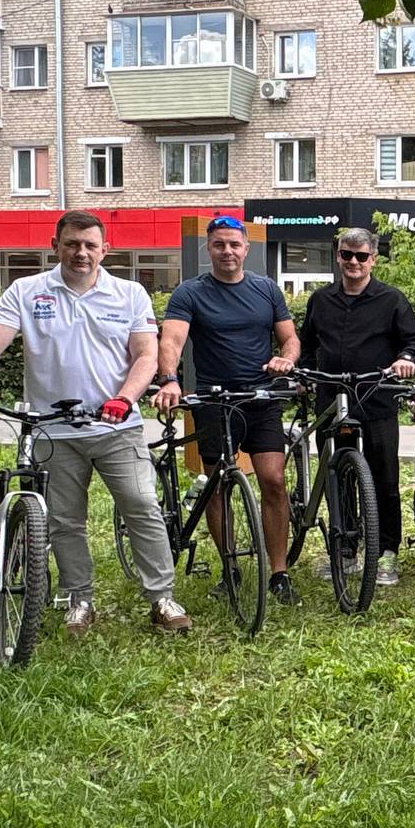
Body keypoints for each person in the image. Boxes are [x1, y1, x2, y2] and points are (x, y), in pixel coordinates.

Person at [0, 210, 191, 636]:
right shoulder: (27, 291)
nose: (81, 252)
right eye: (72, 243)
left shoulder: (129, 293)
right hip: (52, 429)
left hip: (117, 427)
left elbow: (146, 355)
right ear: (55, 246)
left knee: (142, 506)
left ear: (105, 250)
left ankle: (161, 598)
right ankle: (79, 600)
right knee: (64, 521)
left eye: (90, 245)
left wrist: (124, 398)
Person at [154, 216, 301, 605]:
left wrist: (286, 360)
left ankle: (280, 573)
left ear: (246, 248)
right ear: (209, 249)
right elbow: (171, 340)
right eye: (219, 244)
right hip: (214, 401)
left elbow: (289, 338)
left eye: (234, 244)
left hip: (261, 398)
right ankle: (229, 565)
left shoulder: (266, 289)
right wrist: (169, 379)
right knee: (217, 483)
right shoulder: (190, 293)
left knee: (273, 480)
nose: (227, 251)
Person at [298, 227, 415, 586]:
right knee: (338, 476)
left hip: (376, 399)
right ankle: (346, 548)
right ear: (338, 256)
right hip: (332, 399)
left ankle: (386, 551)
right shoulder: (320, 300)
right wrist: (305, 373)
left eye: (361, 256)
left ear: (373, 259)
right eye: (346, 255)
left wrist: (407, 359)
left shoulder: (391, 299)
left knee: (384, 477)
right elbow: (307, 343)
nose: (353, 262)